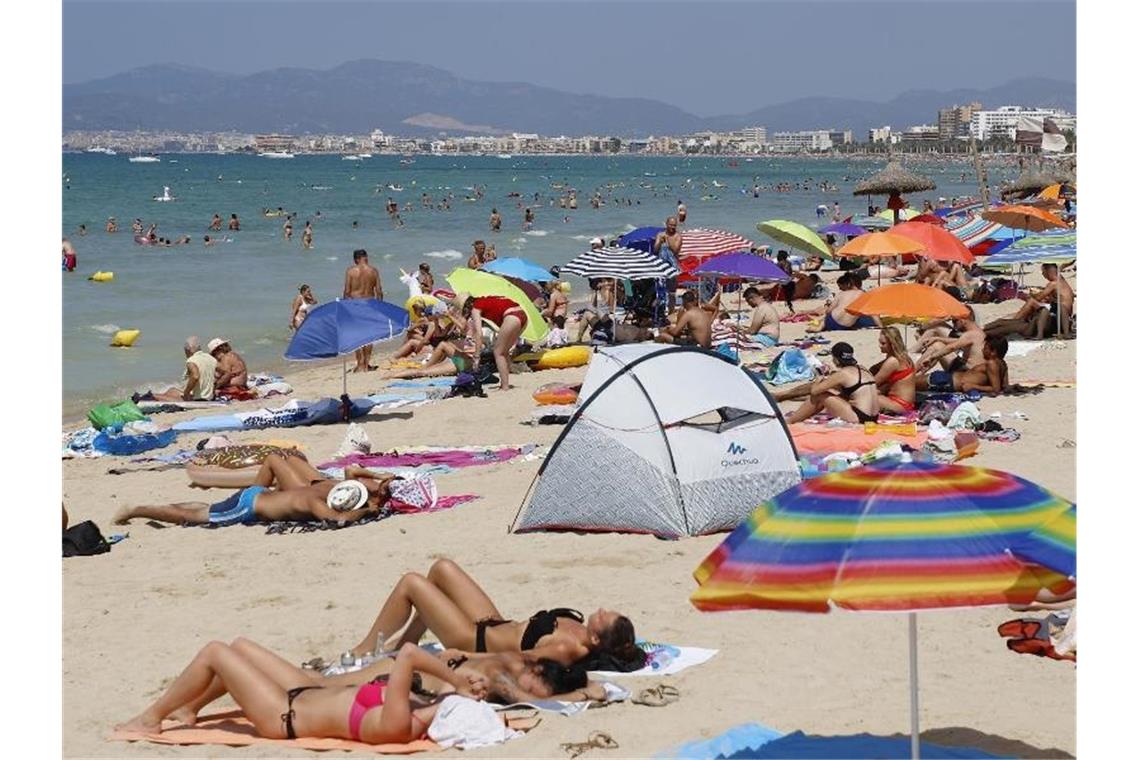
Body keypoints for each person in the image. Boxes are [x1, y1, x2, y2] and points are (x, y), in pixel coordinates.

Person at [114, 639, 486, 743]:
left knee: (216, 652)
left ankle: (151, 719)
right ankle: (189, 707)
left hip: (282, 716)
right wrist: (460, 688)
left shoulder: (398, 725)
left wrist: (456, 685)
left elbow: (408, 654)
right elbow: (418, 665)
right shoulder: (420, 709)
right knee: (240, 647)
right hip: (299, 696)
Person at [345, 559, 647, 672]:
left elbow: (517, 662)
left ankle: (365, 648)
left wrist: (464, 658)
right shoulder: (581, 631)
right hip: (494, 622)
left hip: (472, 640)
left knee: (412, 582)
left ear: (596, 637)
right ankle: (401, 646)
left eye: (605, 616)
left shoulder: (566, 648)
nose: (603, 610)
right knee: (441, 569)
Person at [113, 454, 397, 527]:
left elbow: (352, 473)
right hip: (247, 506)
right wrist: (366, 511)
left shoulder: (328, 486)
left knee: (204, 507)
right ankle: (138, 510)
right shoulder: (316, 504)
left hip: (253, 496)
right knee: (193, 516)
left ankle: (144, 508)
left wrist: (377, 478)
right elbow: (338, 520)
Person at [782, 342, 879, 424]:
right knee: (836, 395)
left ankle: (790, 422)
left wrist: (819, 378)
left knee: (820, 396)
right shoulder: (863, 369)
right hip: (873, 418)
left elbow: (814, 391)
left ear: (835, 359)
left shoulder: (843, 374)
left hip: (860, 418)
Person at [984, 264, 1075, 340]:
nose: (1043, 275)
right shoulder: (1063, 282)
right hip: (1059, 316)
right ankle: (1012, 321)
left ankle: (1015, 319)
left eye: (1043, 272)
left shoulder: (1053, 284)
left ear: (1048, 272)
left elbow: (1039, 298)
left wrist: (1031, 295)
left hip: (1056, 318)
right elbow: (1053, 301)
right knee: (1004, 323)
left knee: (1030, 303)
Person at [456, 292, 526, 391]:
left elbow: (479, 334)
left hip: (511, 317)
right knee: (503, 351)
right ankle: (511, 371)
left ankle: (505, 386)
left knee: (498, 352)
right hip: (522, 315)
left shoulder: (475, 308)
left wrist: (477, 356)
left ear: (466, 306)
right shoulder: (485, 300)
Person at [917, 335, 1009, 394]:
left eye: (985, 348)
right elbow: (1004, 386)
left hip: (947, 381)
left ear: (993, 352)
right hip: (948, 380)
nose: (982, 350)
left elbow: (995, 389)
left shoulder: (991, 363)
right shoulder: (1003, 364)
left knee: (908, 384)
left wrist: (973, 386)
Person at [344, 250, 383, 372]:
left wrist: (345, 307)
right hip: (370, 304)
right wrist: (380, 307)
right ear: (365, 257)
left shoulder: (351, 271)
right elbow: (379, 291)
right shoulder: (373, 271)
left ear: (356, 259)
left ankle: (360, 364)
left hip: (355, 305)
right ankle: (366, 364)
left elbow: (347, 291)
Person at [916, 308, 985, 373]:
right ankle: (917, 374)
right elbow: (959, 341)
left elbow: (951, 347)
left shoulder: (970, 334)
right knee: (937, 345)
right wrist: (938, 338)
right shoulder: (979, 332)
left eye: (955, 321)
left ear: (962, 320)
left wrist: (931, 357)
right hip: (972, 370)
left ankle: (912, 374)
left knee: (936, 347)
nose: (953, 324)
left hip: (966, 371)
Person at [150, 337, 218, 402]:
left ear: (189, 349)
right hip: (208, 397)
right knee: (172, 390)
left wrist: (186, 393)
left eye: (185, 351)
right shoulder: (211, 359)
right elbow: (216, 377)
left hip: (197, 399)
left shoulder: (192, 360)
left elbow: (195, 376)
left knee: (154, 396)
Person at [869, 326, 917, 414]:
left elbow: (872, 383)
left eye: (883, 343)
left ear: (892, 344)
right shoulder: (904, 358)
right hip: (906, 404)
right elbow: (875, 368)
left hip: (900, 405)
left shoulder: (892, 361)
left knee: (864, 396)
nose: (880, 346)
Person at [807, 274, 878, 332]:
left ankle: (821, 325)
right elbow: (873, 313)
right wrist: (880, 325)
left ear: (848, 285)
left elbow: (829, 310)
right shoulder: (864, 295)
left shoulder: (841, 294)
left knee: (828, 317)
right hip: (844, 326)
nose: (840, 289)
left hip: (831, 321)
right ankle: (820, 324)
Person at [652, 217, 684, 312]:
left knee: (672, 292)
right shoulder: (660, 235)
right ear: (666, 224)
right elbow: (655, 250)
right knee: (660, 290)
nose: (672, 227)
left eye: (674, 225)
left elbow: (676, 250)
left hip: (672, 267)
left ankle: (671, 311)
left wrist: (668, 240)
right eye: (671, 225)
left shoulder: (678, 236)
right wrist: (659, 242)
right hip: (661, 266)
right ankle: (660, 310)